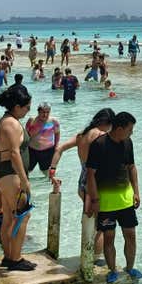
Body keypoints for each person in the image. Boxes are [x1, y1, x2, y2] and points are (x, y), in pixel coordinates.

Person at [49, 108, 115, 266]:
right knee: (100, 225)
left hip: (82, 183)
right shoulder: (101, 135)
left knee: (90, 220)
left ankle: (89, 256)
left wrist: (52, 170)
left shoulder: (81, 135)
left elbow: (59, 148)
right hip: (96, 184)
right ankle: (96, 260)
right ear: (107, 123)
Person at [84, 111, 142, 283]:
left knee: (130, 235)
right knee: (109, 238)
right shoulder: (99, 144)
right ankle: (112, 270)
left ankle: (130, 267)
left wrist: (136, 192)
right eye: (130, 130)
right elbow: (90, 174)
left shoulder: (128, 143)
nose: (131, 133)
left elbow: (132, 167)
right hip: (106, 202)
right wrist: (94, 200)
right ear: (119, 128)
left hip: (126, 200)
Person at [0, 85, 35, 271]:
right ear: (17, 106)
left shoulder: (8, 120)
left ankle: (9, 256)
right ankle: (15, 258)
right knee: (23, 215)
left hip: (7, 174)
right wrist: (25, 180)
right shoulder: (10, 123)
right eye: (27, 107)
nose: (28, 111)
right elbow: (14, 153)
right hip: (11, 173)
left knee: (9, 218)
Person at [25, 103, 60, 173]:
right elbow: (25, 135)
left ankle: (45, 184)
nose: (45, 115)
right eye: (43, 112)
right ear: (38, 112)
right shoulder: (32, 120)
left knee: (46, 172)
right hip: (32, 150)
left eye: (47, 112)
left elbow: (57, 134)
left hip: (48, 151)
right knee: (27, 170)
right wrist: (36, 129)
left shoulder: (54, 121)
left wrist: (56, 146)